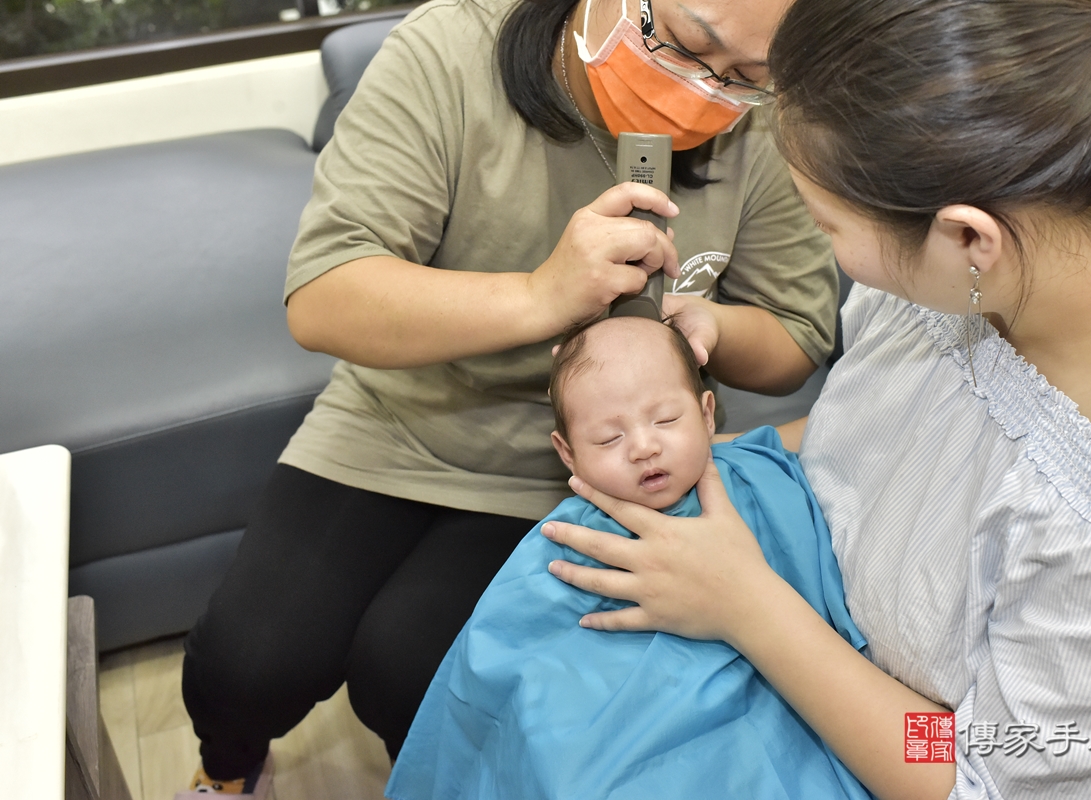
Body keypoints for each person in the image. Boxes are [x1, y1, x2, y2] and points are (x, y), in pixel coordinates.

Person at [537, 0, 1091, 798]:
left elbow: (972, 771)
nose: (829, 248)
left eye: (826, 225)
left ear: (964, 239)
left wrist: (753, 611)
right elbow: (881, 430)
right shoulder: (1041, 215)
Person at [177, 0, 839, 793]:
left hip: (592, 466)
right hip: (400, 418)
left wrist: (706, 326)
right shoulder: (451, 51)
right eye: (690, 46)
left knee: (415, 667)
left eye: (745, 78)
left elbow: (796, 337)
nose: (704, 90)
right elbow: (322, 298)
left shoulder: (762, 127)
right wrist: (541, 296)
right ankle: (229, 769)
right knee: (248, 662)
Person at [386, 313, 870, 799]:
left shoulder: (762, 476)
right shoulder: (568, 539)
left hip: (798, 706)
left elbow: (823, 599)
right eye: (608, 438)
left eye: (666, 419)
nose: (644, 446)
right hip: (619, 724)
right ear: (568, 452)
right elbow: (505, 657)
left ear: (707, 414)